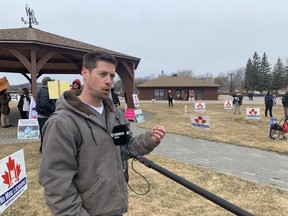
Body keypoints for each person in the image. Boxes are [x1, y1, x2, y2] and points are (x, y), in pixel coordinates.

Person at [39, 51, 166, 216]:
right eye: (102, 74)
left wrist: (149, 139)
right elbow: (56, 183)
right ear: (85, 73)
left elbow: (125, 148)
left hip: (114, 206)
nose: (109, 81)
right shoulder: (62, 123)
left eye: (112, 76)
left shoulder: (115, 114)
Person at [36, 77, 56, 153]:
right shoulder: (44, 91)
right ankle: (44, 151)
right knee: (46, 134)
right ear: (47, 83)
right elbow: (44, 104)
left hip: (43, 116)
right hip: (44, 116)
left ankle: (43, 149)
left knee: (45, 134)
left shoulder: (43, 91)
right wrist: (54, 110)